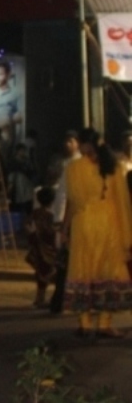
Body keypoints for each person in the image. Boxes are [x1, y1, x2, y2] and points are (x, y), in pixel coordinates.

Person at [63, 128, 132, 338]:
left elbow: (74, 202)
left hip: (85, 225)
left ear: (84, 144)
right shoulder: (114, 167)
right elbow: (122, 202)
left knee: (84, 270)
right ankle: (104, 324)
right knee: (108, 271)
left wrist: (64, 228)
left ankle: (85, 323)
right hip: (109, 225)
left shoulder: (74, 168)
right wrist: (127, 233)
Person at [48, 129, 80, 315]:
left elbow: (70, 198)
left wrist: (61, 221)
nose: (67, 144)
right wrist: (59, 219)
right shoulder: (68, 164)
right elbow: (62, 195)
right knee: (64, 263)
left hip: (77, 220)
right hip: (68, 219)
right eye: (66, 141)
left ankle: (63, 301)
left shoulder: (79, 165)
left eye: (71, 141)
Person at [25, 185, 58, 308]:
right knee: (50, 273)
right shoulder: (51, 216)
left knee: (40, 274)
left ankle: (40, 298)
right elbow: (51, 233)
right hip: (48, 250)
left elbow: (27, 227)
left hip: (36, 248)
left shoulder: (34, 214)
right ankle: (44, 299)